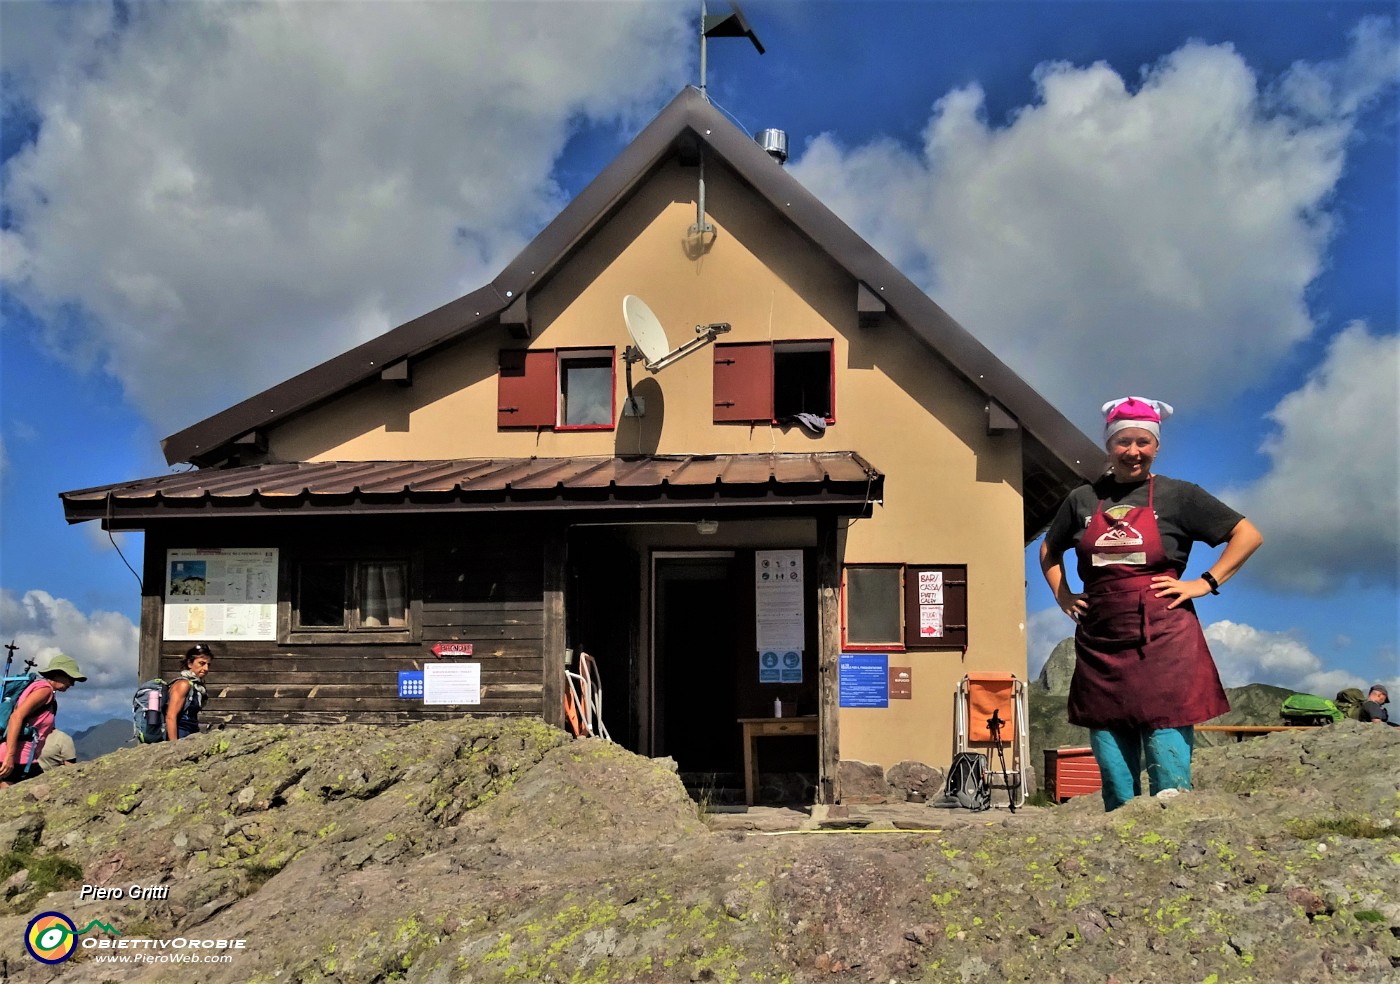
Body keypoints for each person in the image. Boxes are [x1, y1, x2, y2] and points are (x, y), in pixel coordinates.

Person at [1039, 397, 1264, 810]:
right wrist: (1064, 594)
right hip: (1101, 637)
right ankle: (1120, 824)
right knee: (1108, 740)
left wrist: (1204, 582)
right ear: (1109, 445)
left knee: (1166, 735)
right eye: (1124, 442)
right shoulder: (1083, 499)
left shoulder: (1181, 496)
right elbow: (1050, 549)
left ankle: (1172, 825)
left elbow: (1247, 535)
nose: (1134, 451)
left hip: (1165, 634)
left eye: (1143, 442)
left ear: (1156, 446)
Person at [0, 653, 86, 787]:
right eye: (70, 678)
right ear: (58, 674)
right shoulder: (44, 690)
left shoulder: (39, 688)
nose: (72, 684)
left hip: (14, 758)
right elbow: (16, 716)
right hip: (18, 760)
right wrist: (10, 756)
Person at [165, 644, 211, 741]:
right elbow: (170, 717)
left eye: (208, 664)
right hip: (180, 735)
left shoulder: (196, 687)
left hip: (191, 735)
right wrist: (173, 747)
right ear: (190, 664)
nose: (206, 668)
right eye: (202, 663)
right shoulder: (183, 684)